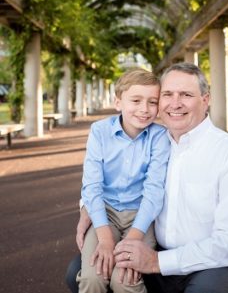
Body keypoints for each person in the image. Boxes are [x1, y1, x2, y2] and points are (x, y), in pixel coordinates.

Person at [66, 63, 228, 293]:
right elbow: (117, 177)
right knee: (82, 271)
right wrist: (86, 207)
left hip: (217, 263)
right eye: (167, 94)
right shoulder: (158, 142)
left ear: (205, 99)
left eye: (187, 95)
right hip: (160, 254)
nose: (175, 103)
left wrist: (155, 262)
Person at [77, 69, 170, 293]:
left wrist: (135, 237)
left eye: (152, 102)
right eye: (136, 100)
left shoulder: (160, 137)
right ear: (118, 102)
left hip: (141, 217)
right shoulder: (99, 131)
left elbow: (154, 191)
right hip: (105, 213)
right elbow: (92, 186)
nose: (144, 109)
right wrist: (105, 238)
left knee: (124, 279)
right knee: (94, 276)